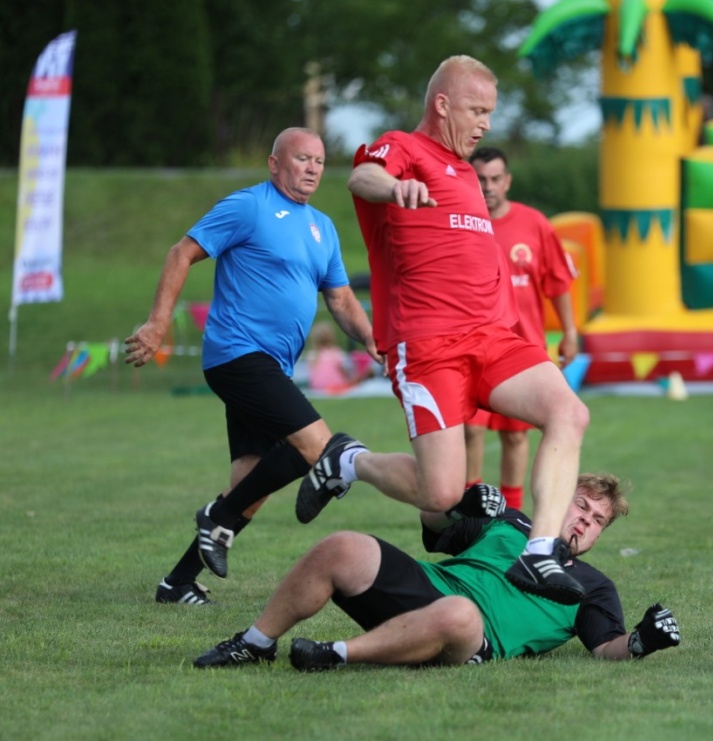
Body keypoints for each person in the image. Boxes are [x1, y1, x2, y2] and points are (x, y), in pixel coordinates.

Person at [295, 55, 591, 605]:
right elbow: (363, 175)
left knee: (569, 411)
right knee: (441, 491)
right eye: (477, 110)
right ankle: (348, 460)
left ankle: (538, 554)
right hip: (428, 347)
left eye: (490, 114)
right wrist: (392, 189)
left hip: (492, 338)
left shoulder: (466, 174)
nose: (485, 124)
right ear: (443, 104)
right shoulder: (404, 149)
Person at [125, 127, 379, 604]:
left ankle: (177, 582)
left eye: (319, 161)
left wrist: (371, 338)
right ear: (274, 163)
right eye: (301, 158)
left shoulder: (322, 227)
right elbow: (181, 253)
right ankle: (215, 519)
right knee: (316, 448)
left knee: (251, 481)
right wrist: (158, 324)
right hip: (238, 355)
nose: (311, 168)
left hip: (271, 368)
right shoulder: (250, 206)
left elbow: (341, 299)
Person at [194, 473, 681, 670]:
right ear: (559, 498)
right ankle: (254, 642)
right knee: (342, 545)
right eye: (580, 505)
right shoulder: (512, 523)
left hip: (470, 636)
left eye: (597, 520)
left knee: (461, 614)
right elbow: (433, 531)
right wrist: (459, 508)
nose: (584, 521)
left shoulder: (593, 586)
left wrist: (642, 641)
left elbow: (605, 648)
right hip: (429, 586)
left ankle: (337, 654)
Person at [463, 146, 579, 511]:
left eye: (495, 179)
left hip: (522, 349)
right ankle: (468, 511)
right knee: (470, 429)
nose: (488, 186)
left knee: (516, 437)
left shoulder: (535, 224)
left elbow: (558, 283)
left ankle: (511, 513)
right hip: (472, 347)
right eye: (480, 179)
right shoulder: (460, 222)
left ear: (507, 181)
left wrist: (570, 333)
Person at [305, 321, 365, 395]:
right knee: (358, 378)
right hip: (336, 387)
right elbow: (346, 372)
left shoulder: (312, 355)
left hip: (316, 387)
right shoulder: (336, 353)